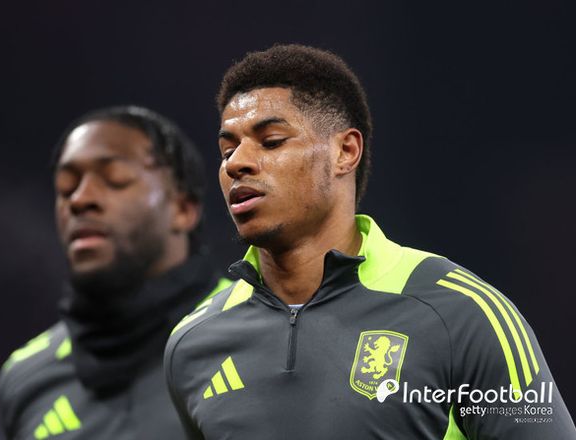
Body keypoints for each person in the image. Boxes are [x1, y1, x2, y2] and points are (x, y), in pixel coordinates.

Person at [164, 45, 576, 439]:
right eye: (227, 150)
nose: (236, 163)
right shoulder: (193, 342)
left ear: (345, 151)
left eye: (271, 141)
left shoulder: (461, 315)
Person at [0, 106, 230, 440]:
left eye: (115, 179)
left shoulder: (256, 330)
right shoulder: (24, 379)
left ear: (182, 209)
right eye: (66, 187)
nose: (80, 199)